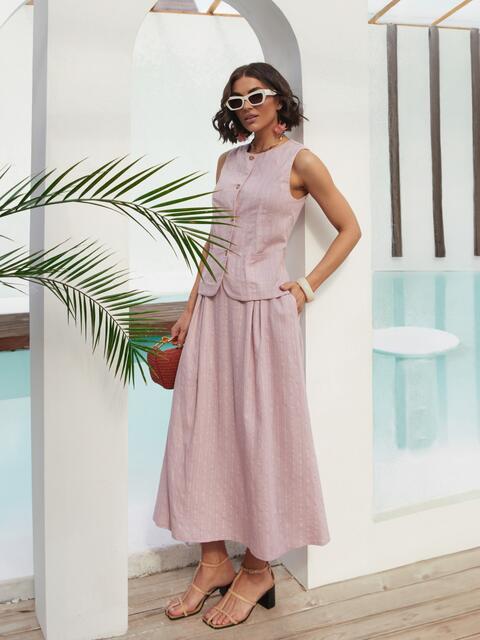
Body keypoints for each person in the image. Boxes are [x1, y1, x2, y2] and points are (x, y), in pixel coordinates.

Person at [152, 61, 362, 630]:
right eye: (236, 100)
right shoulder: (227, 162)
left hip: (263, 318)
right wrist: (189, 308)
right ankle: (213, 561)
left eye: (256, 95)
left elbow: (350, 228)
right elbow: (213, 240)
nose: (246, 106)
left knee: (261, 435)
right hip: (214, 312)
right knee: (201, 431)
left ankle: (258, 568)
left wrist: (306, 286)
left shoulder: (302, 161)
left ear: (278, 100)